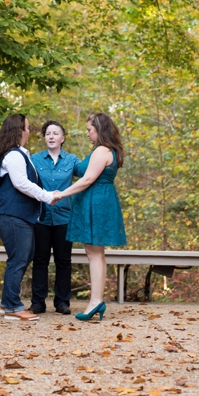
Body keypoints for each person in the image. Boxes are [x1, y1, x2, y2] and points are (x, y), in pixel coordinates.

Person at [54, 112, 127, 321]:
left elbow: (87, 180)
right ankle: (97, 300)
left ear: (100, 130)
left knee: (94, 253)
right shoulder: (107, 150)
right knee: (96, 253)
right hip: (99, 201)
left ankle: (95, 301)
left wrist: (62, 194)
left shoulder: (102, 150)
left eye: (89, 130)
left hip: (96, 202)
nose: (87, 134)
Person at [0, 114, 59, 322]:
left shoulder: (21, 155)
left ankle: (6, 303)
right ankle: (12, 307)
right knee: (19, 259)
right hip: (11, 215)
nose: (29, 131)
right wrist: (47, 196)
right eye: (27, 128)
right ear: (19, 131)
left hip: (18, 216)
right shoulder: (13, 156)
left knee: (23, 257)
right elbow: (21, 183)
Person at [29, 120, 81, 315]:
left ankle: (62, 303)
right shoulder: (34, 160)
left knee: (63, 261)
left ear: (62, 138)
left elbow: (87, 177)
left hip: (64, 218)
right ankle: (37, 303)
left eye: (55, 133)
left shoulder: (72, 160)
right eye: (47, 133)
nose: (51, 136)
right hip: (40, 218)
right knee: (40, 259)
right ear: (44, 138)